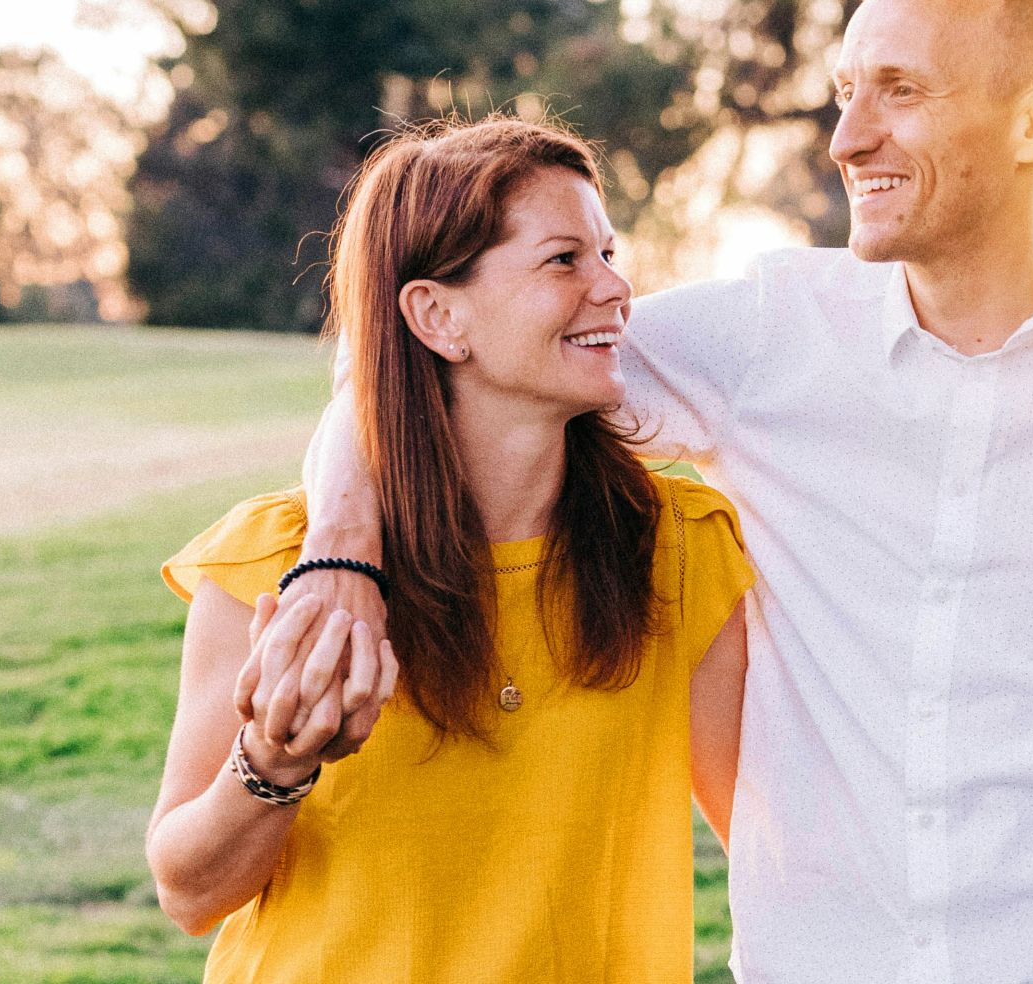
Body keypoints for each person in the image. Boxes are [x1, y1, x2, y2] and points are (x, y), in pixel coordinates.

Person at [292, 0, 1033, 984]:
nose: (847, 136)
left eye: (901, 91)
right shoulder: (770, 335)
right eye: (847, 93)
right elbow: (418, 365)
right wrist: (340, 554)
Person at [144, 117, 754, 982]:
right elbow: (188, 892)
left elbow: (768, 844)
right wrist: (273, 765)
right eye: (563, 260)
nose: (617, 289)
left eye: (610, 254)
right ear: (437, 315)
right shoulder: (277, 563)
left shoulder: (680, 551)